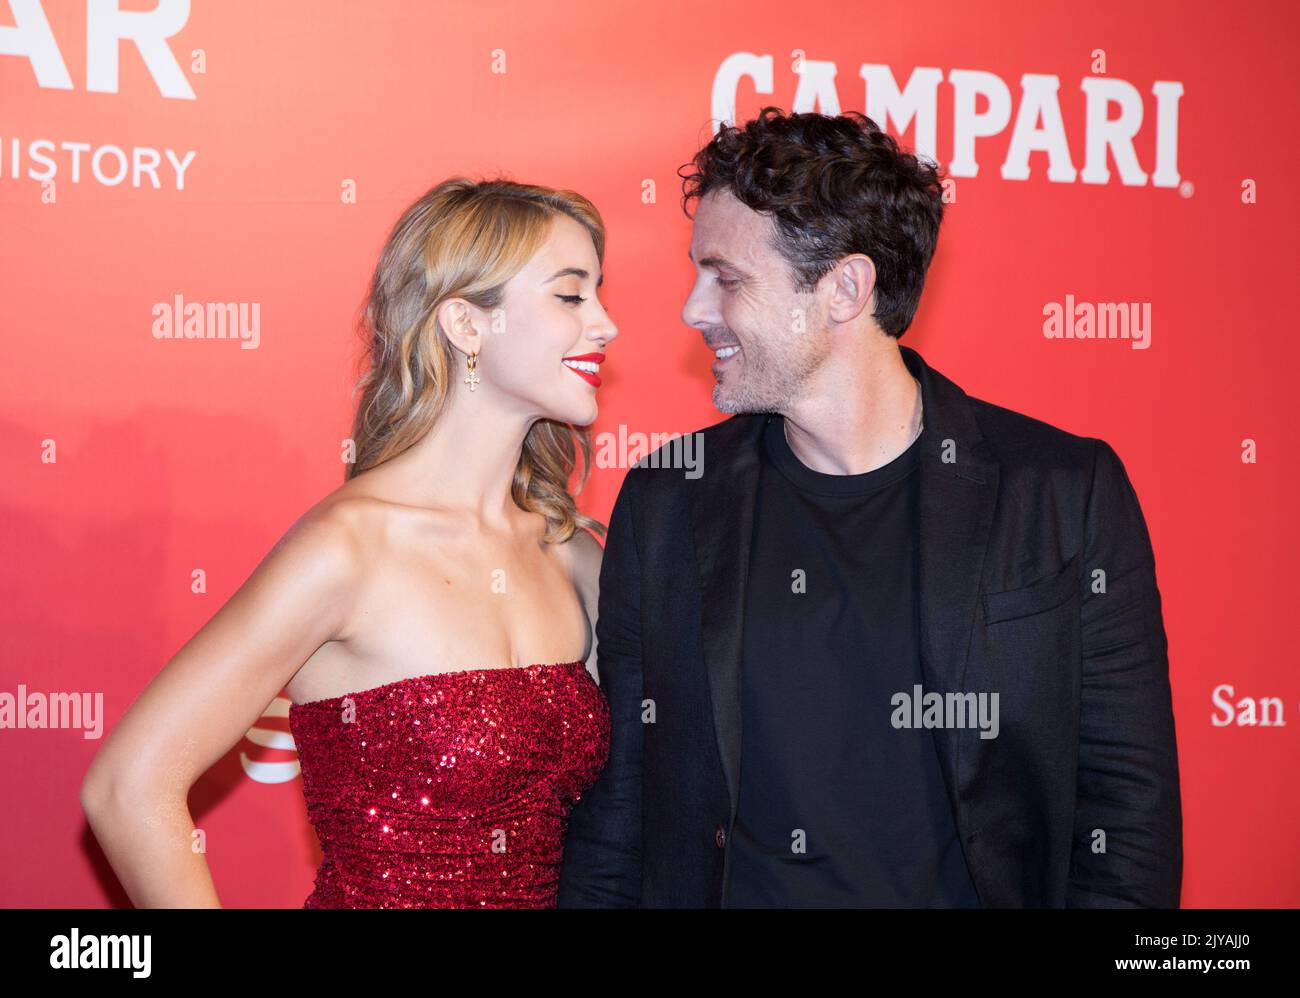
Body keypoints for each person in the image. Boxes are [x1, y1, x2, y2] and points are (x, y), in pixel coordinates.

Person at [557, 107, 1182, 908]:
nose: (692, 310)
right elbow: (622, 811)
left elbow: (1127, 815)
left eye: (728, 278)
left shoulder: (1062, 491)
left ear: (845, 288)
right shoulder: (666, 500)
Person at [81, 177, 619, 908]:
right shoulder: (348, 550)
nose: (606, 325)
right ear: (465, 324)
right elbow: (128, 786)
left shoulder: (574, 552)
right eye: (570, 295)